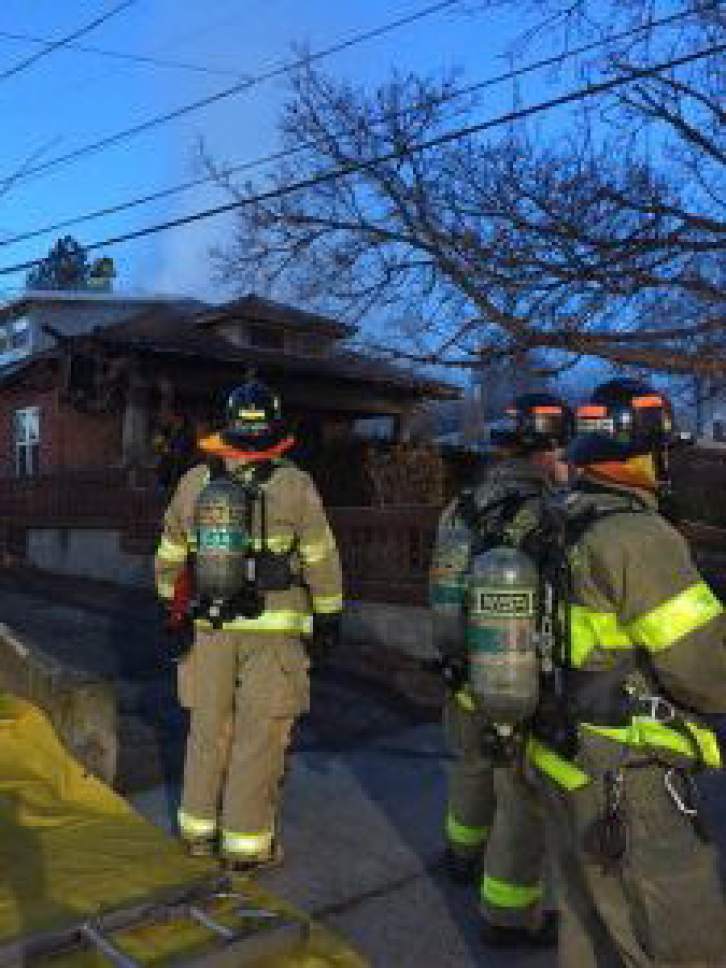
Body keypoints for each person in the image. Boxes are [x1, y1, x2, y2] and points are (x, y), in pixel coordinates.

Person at [527, 377, 726, 966]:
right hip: (627, 772)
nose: (666, 463)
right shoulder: (639, 536)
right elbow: (704, 670)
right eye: (663, 450)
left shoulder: (551, 522)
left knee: (588, 916)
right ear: (643, 452)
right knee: (681, 925)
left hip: (559, 753)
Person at [154, 379, 343, 871]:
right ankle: (246, 848)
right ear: (274, 426)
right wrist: (328, 618)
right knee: (258, 737)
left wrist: (172, 611)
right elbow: (321, 559)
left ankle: (196, 833)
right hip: (274, 631)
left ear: (228, 424)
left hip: (210, 625)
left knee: (207, 729)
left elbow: (171, 554)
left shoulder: (195, 481)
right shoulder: (295, 484)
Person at [429, 391, 572, 946]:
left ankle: (463, 855)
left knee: (470, 763)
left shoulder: (460, 507)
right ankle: (510, 913)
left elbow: (443, 586)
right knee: (520, 793)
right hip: (516, 676)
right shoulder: (553, 513)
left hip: (462, 663)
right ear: (546, 451)